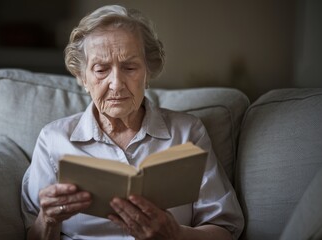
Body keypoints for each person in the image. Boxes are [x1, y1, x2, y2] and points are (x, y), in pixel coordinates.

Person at [21, 5, 244, 240]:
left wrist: (175, 235)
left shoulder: (187, 133)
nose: (116, 83)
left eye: (129, 67)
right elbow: (31, 234)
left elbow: (225, 230)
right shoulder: (53, 139)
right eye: (101, 69)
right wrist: (47, 220)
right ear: (82, 77)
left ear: (148, 72)